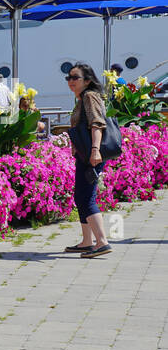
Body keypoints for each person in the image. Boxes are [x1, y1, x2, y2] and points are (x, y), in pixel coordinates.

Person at [64, 62, 111, 258]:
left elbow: (97, 125)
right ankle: (86, 241)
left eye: (75, 77)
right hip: (84, 155)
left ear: (88, 80)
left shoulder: (90, 96)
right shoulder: (82, 98)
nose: (70, 81)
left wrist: (94, 150)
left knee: (86, 197)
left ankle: (102, 242)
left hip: (91, 154)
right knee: (80, 196)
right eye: (69, 78)